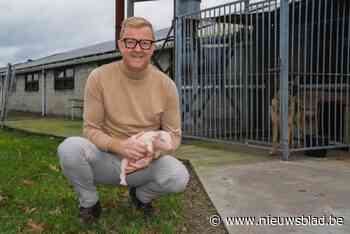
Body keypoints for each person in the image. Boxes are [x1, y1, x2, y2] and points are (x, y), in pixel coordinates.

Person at [57, 16, 189, 224]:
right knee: (69, 148)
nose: (138, 49)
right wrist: (119, 145)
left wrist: (153, 154)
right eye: (130, 42)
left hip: (144, 164)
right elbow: (91, 129)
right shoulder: (99, 77)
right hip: (106, 158)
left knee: (178, 176)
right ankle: (90, 203)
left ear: (152, 47)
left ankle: (140, 196)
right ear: (121, 44)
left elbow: (174, 136)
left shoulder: (167, 86)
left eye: (145, 43)